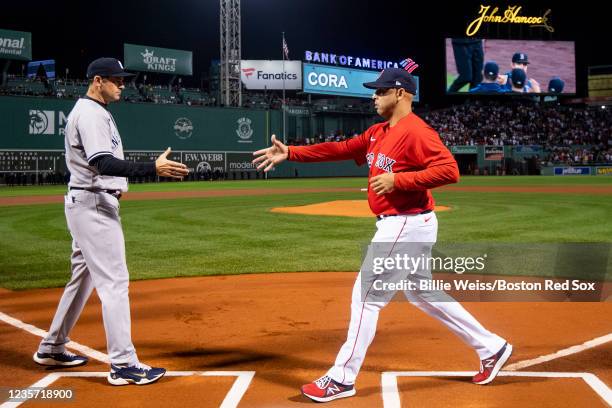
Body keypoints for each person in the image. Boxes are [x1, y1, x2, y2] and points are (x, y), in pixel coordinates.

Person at [253, 68, 513, 403]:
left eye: (380, 91)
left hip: (405, 222)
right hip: (404, 223)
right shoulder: (378, 131)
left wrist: (399, 181)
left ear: (401, 93)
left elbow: (450, 170)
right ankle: (492, 347)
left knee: (365, 297)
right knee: (421, 293)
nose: (374, 96)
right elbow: (342, 148)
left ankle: (342, 378)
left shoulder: (417, 132)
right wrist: (292, 153)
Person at [33, 57, 189, 386]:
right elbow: (102, 163)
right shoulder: (89, 113)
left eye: (122, 79)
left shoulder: (96, 111)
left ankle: (52, 346)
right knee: (115, 284)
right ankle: (123, 364)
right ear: (97, 81)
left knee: (83, 279)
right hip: (94, 204)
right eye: (116, 80)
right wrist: (152, 168)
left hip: (90, 202)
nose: (122, 84)